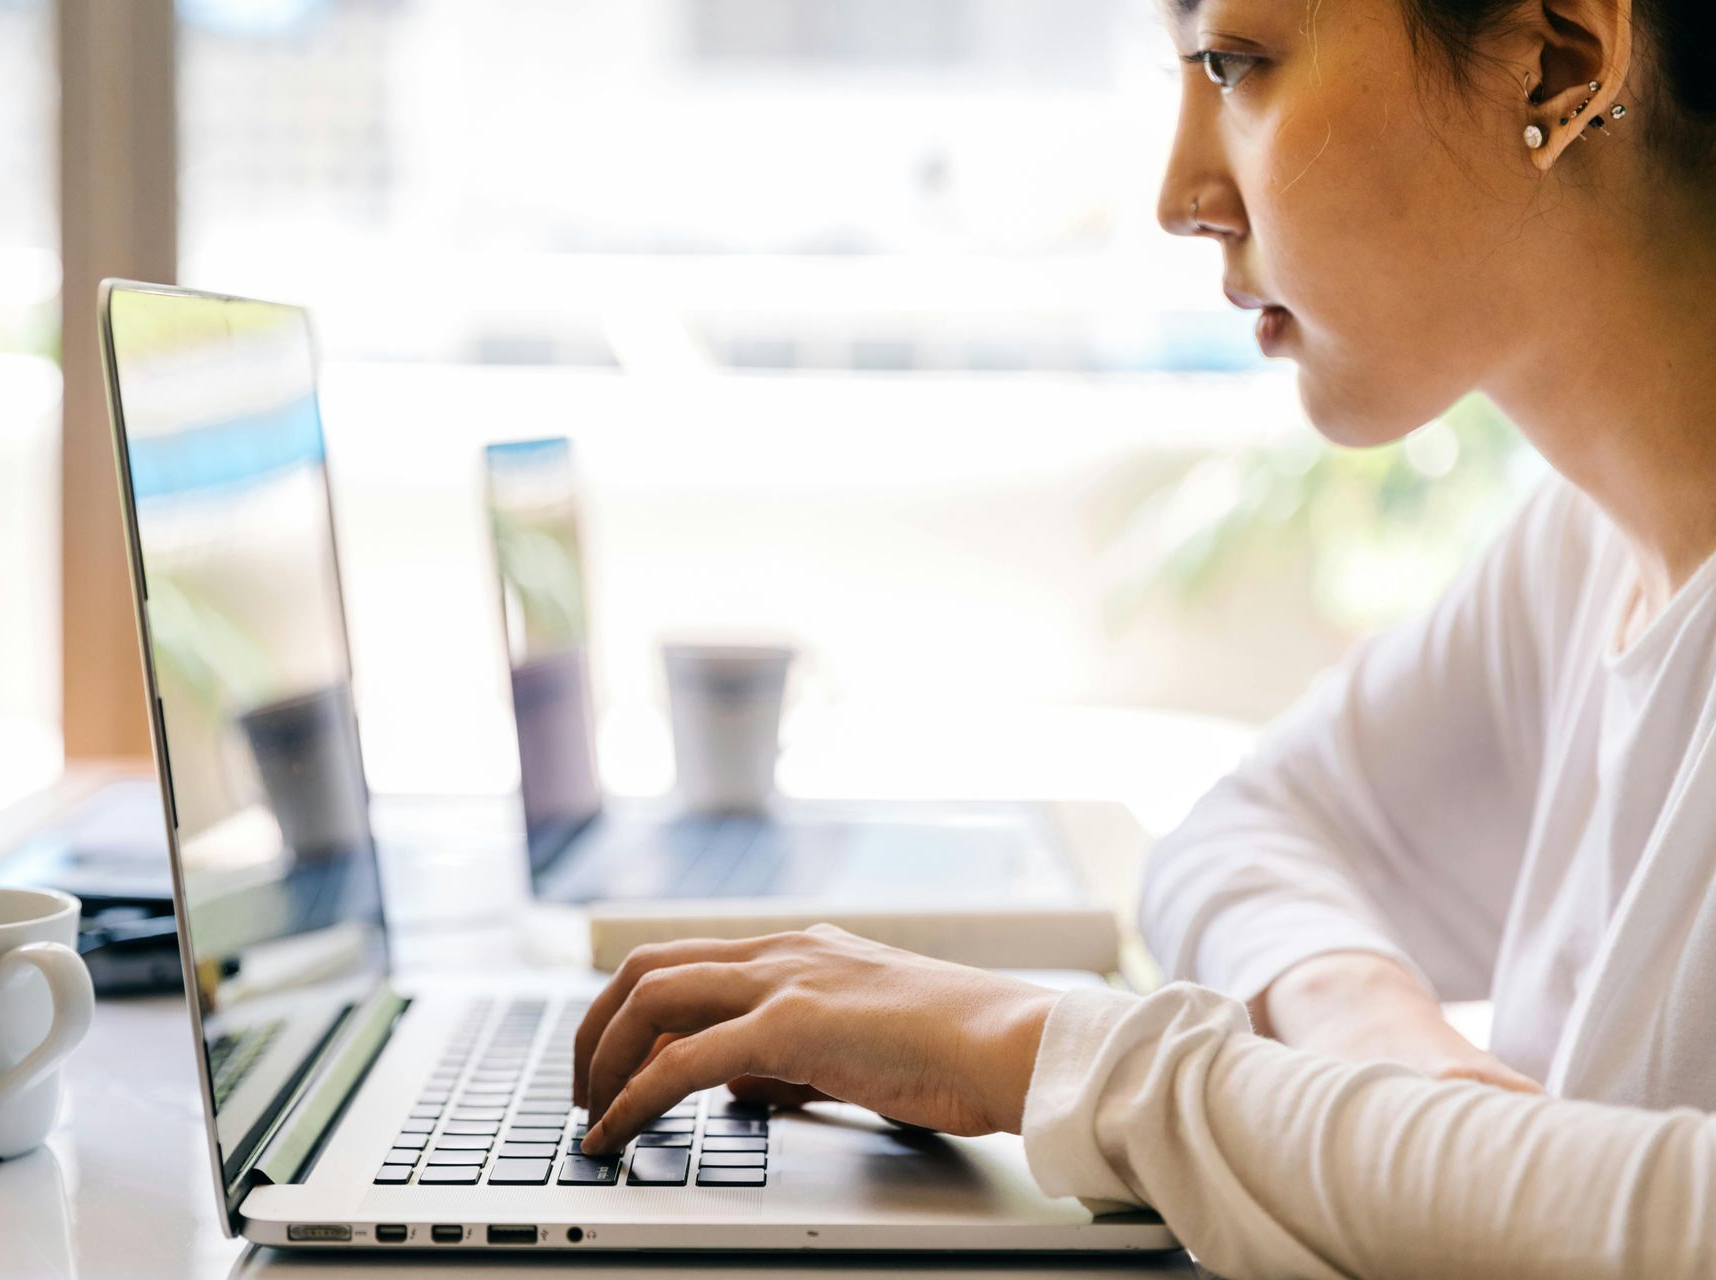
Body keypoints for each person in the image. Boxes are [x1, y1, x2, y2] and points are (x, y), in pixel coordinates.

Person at [571, 0, 1716, 1274]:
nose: (1179, 194)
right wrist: (1395, 1072)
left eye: (1236, 63)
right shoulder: (1587, 549)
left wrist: (1056, 1060)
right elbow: (1243, 831)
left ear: (1556, 62)